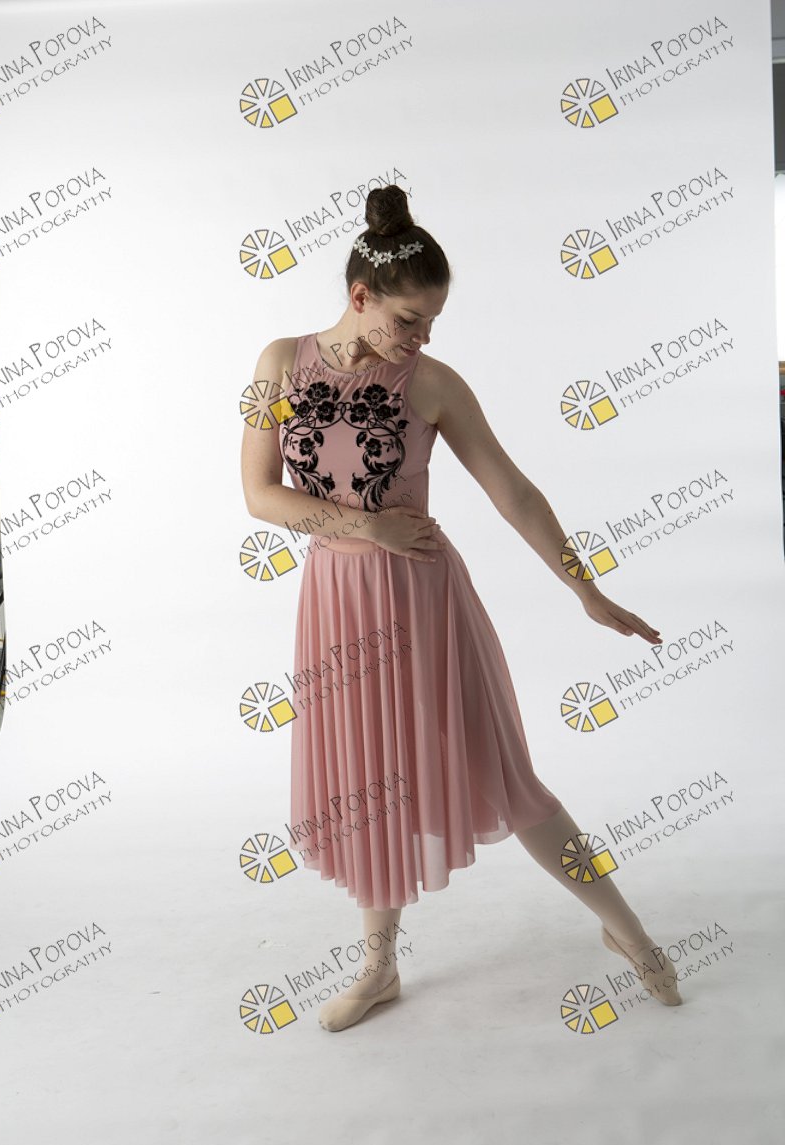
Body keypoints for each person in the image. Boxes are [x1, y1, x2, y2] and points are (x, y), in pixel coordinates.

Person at [240, 184, 683, 1033]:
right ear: (360, 295)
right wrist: (368, 525)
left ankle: (628, 929)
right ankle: (379, 966)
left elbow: (514, 490)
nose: (423, 337)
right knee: (365, 784)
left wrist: (583, 587)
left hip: (425, 601)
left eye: (433, 321)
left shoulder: (434, 383)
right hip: (334, 602)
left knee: (507, 775)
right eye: (410, 320)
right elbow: (260, 495)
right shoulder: (277, 363)